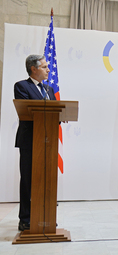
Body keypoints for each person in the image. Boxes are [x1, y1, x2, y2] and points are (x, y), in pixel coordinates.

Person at [14, 54, 56, 231]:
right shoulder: (21, 86)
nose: (48, 69)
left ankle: (45, 217)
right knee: (28, 180)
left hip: (48, 141)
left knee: (47, 180)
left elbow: (55, 111)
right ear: (33, 69)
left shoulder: (49, 89)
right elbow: (27, 110)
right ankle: (25, 219)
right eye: (45, 66)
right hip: (30, 141)